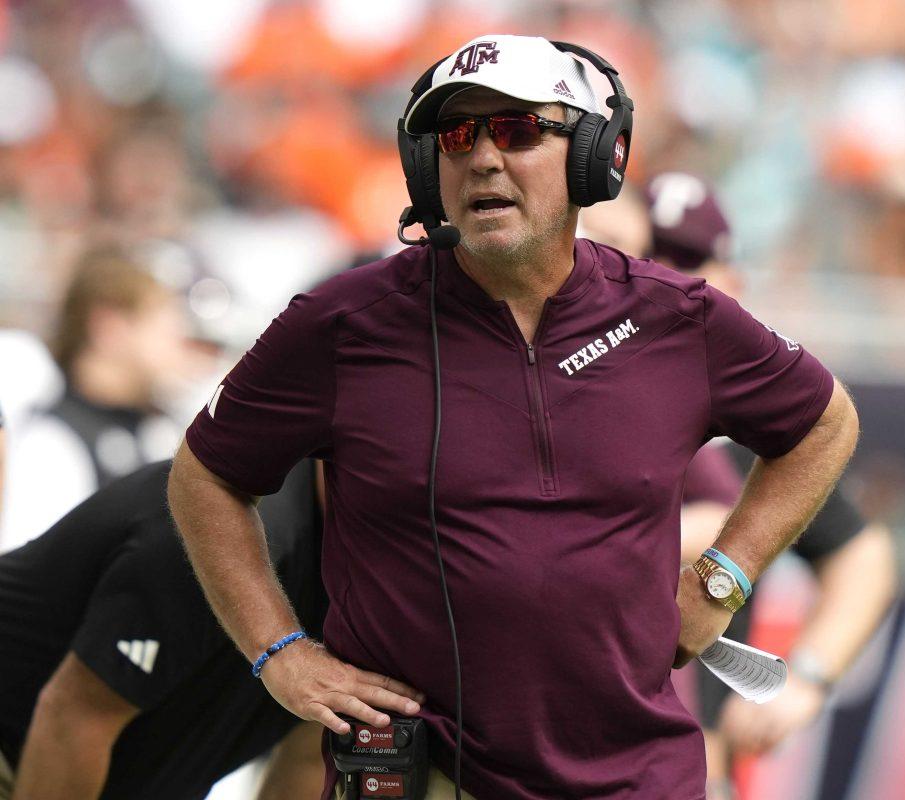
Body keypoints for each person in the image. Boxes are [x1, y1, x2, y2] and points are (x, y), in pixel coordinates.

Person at [168, 34, 858, 800]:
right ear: (428, 169)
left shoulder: (681, 319)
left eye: (521, 130)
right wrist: (279, 652)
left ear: (596, 156)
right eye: (458, 137)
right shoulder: (342, 323)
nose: (485, 158)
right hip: (425, 775)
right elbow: (207, 474)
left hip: (641, 778)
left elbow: (824, 424)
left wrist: (722, 579)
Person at [646, 172, 896, 797]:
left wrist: (806, 681)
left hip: (691, 768)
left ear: (731, 281)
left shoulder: (742, 426)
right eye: (647, 260)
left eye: (687, 265)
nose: (664, 282)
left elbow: (861, 554)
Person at [0, 459, 329, 800]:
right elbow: (74, 717)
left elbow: (311, 758)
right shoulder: (229, 526)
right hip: (22, 754)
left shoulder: (366, 588)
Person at [0, 246, 199, 551]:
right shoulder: (53, 444)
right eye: (164, 320)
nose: (180, 337)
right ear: (110, 326)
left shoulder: (159, 426)